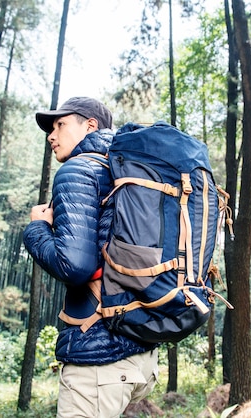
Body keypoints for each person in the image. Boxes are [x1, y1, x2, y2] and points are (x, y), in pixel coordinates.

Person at [23, 97, 158, 417]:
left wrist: (36, 229)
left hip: (99, 359)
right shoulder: (127, 172)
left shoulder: (78, 169)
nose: (51, 136)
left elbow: (76, 266)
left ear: (91, 125)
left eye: (60, 125)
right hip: (142, 357)